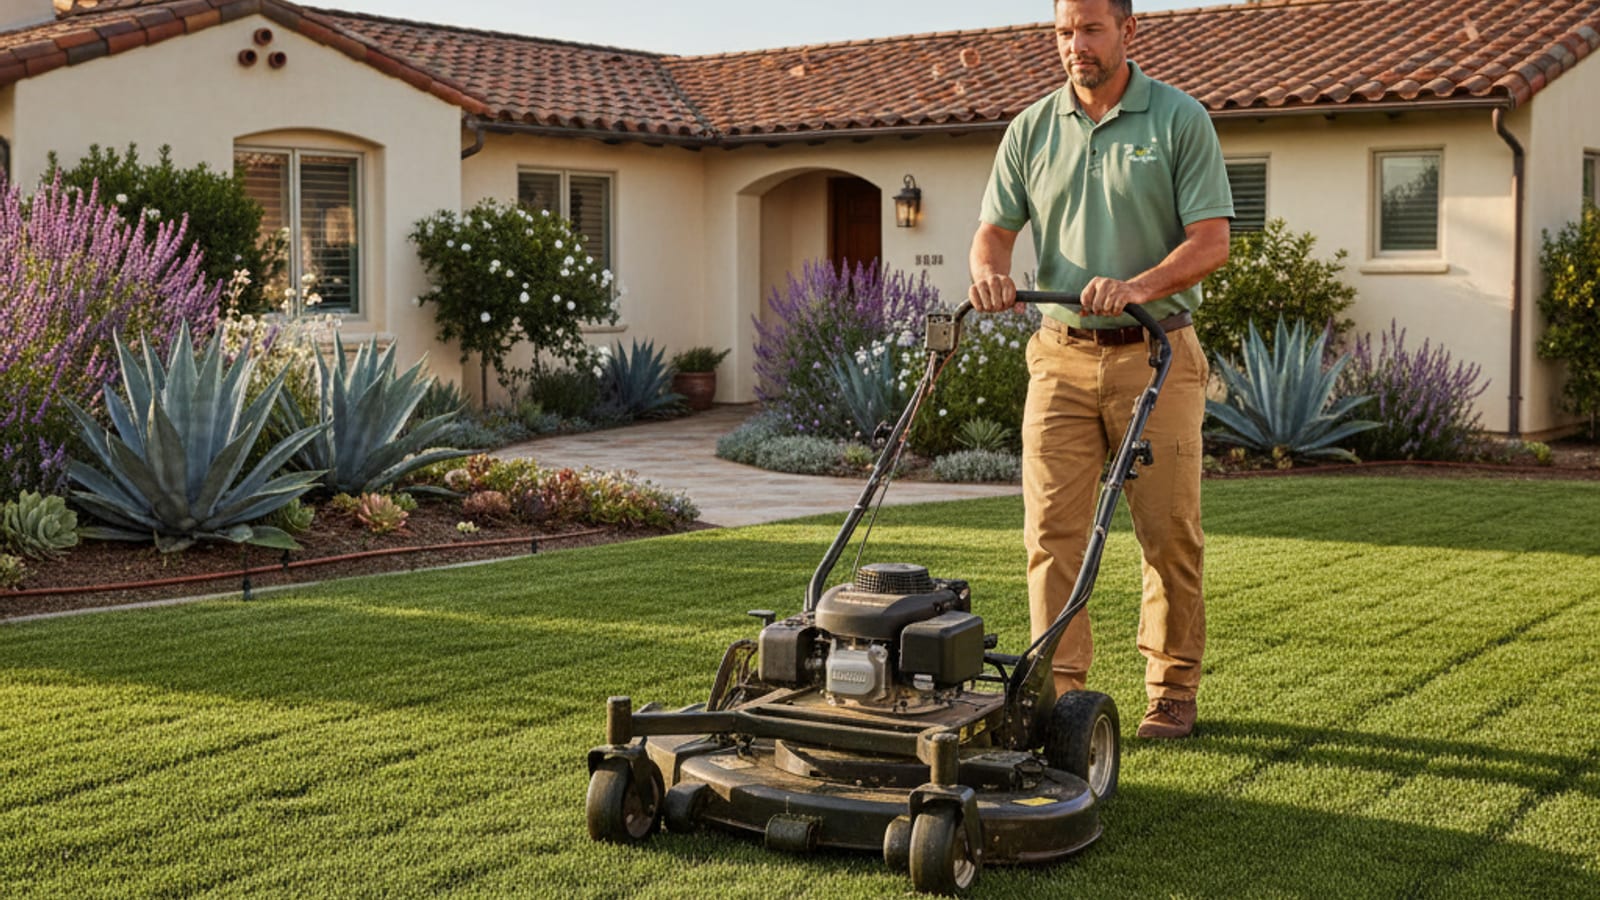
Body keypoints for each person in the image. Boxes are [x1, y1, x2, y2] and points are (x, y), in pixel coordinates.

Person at [966, 0, 1233, 739]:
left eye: (1090, 29)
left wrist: (1139, 286)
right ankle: (1058, 691)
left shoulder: (1179, 120)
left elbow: (1212, 242)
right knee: (1052, 534)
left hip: (1157, 355)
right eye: (1063, 31)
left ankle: (1172, 690)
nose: (1075, 45)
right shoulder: (1032, 129)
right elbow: (993, 231)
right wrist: (990, 272)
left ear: (1127, 32)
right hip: (1059, 354)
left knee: (1168, 531)